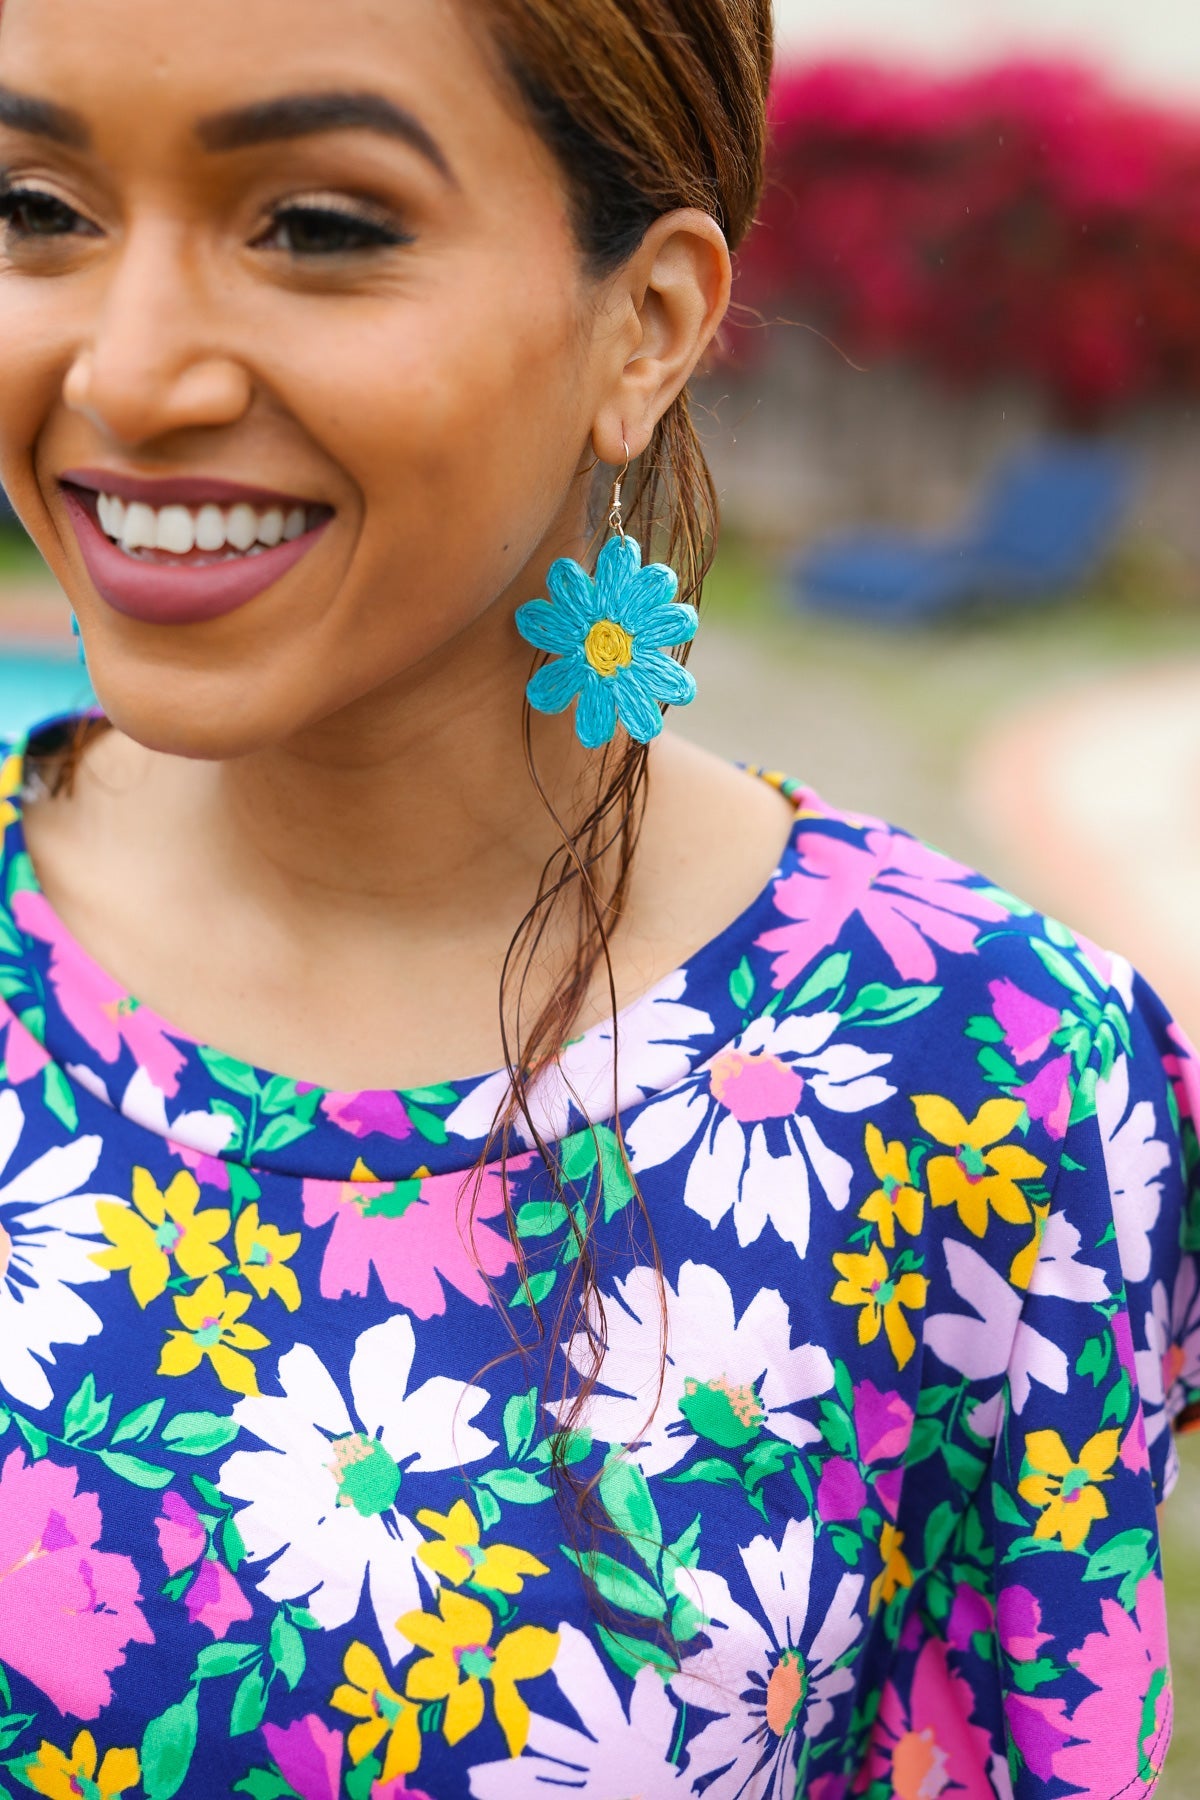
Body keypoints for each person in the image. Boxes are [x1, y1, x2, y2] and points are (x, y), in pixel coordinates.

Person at [0, 0, 1194, 1795]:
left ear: (646, 325)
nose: (131, 371)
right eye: (36, 210)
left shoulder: (989, 1074)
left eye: (317, 227)